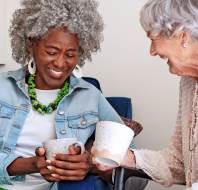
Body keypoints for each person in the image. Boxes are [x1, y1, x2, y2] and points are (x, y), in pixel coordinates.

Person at [0, 0, 124, 189]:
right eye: (52, 51)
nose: (60, 63)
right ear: (30, 45)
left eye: (70, 54)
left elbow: (125, 160)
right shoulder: (3, 87)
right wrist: (31, 164)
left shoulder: (89, 95)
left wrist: (90, 164)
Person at [94, 0, 198, 189]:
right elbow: (178, 163)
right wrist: (128, 158)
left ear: (182, 35)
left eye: (152, 38)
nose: (151, 51)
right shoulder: (189, 84)